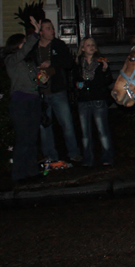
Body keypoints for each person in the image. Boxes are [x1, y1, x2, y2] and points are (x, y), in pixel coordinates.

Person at [31, 19, 82, 167]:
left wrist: (51, 64)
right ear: (40, 32)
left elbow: (68, 63)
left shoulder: (59, 45)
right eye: (48, 28)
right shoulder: (34, 48)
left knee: (67, 124)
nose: (52, 31)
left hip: (58, 91)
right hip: (41, 93)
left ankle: (74, 153)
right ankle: (50, 156)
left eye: (52, 28)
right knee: (45, 126)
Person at [4, 17, 44, 183]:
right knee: (23, 139)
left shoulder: (28, 63)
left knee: (32, 138)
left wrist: (42, 77)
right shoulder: (12, 60)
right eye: (23, 42)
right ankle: (18, 175)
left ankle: (32, 172)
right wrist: (35, 34)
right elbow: (23, 51)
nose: (26, 45)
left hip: (33, 100)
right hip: (20, 102)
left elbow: (36, 78)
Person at [74, 38, 115, 167]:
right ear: (82, 49)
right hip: (83, 101)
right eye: (88, 45)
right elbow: (73, 80)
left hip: (98, 100)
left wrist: (105, 70)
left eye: (93, 45)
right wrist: (77, 85)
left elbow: (108, 81)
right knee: (85, 133)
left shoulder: (100, 62)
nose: (91, 47)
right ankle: (87, 159)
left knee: (102, 131)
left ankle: (107, 157)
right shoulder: (78, 64)